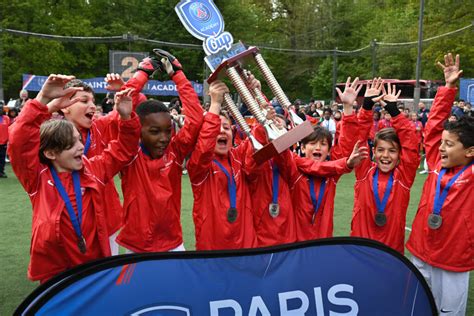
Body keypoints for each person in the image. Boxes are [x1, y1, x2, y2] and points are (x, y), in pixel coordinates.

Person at [8, 74, 140, 283]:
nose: (81, 148)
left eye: (79, 141)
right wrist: (42, 99)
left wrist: (126, 117)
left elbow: (123, 150)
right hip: (55, 270)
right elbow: (18, 140)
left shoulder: (92, 168)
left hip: (94, 265)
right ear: (51, 153)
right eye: (72, 144)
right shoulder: (37, 177)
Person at [116, 49, 204, 253]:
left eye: (168, 131)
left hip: (173, 244)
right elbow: (121, 106)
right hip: (136, 247)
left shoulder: (175, 151)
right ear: (138, 130)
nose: (164, 138)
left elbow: (196, 119)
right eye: (155, 131)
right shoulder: (128, 153)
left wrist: (178, 75)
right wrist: (142, 73)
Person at [406, 53, 473, 316]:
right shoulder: (435, 161)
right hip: (421, 250)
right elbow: (432, 128)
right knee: (418, 305)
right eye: (442, 143)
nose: (441, 148)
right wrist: (447, 89)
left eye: (450, 144)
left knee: (448, 313)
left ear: (469, 151)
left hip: (453, 259)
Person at [350, 80, 420, 253]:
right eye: (380, 150)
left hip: (391, 253)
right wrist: (366, 107)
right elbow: (360, 135)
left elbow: (411, 144)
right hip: (361, 248)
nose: (386, 156)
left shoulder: (404, 176)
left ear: (400, 155)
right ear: (373, 152)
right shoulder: (364, 171)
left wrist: (394, 112)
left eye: (392, 151)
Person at [187, 80, 256, 250]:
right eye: (215, 128)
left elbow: (259, 136)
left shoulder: (239, 157)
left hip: (245, 246)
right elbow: (204, 147)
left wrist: (254, 95)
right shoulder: (199, 167)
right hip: (212, 248)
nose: (221, 131)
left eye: (225, 127)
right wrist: (215, 104)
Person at [0, 111, 10, 178]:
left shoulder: (6, 118)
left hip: (4, 142)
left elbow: (9, 128)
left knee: (2, 158)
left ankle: (1, 172)